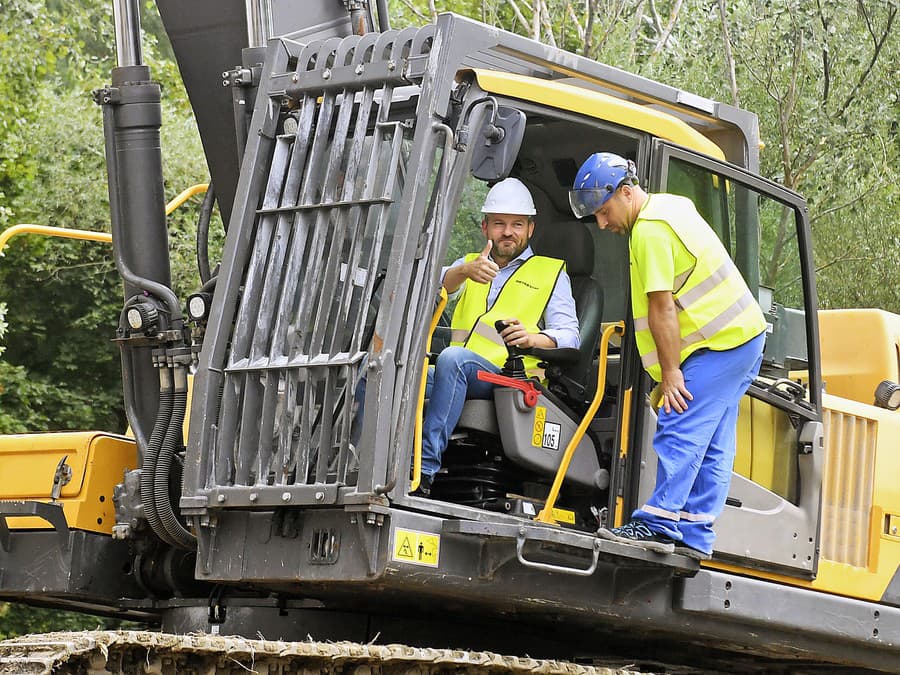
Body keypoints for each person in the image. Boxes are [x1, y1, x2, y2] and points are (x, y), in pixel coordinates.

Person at [569, 152, 766, 560]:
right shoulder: (670, 206)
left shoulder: (650, 231)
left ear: (626, 192)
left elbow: (662, 307)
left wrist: (671, 373)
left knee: (680, 420)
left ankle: (658, 524)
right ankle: (695, 533)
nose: (602, 224)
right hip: (740, 337)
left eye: (604, 212)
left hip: (721, 343)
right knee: (713, 442)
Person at [417, 177, 580, 495]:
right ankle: (366, 462)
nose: (508, 232)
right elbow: (431, 288)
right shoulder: (468, 266)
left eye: (517, 224)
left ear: (530, 229)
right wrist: (463, 272)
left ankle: (423, 469)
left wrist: (532, 338)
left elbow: (570, 336)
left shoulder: (550, 273)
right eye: (499, 224)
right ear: (485, 228)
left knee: (453, 360)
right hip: (460, 375)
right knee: (378, 366)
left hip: (511, 381)